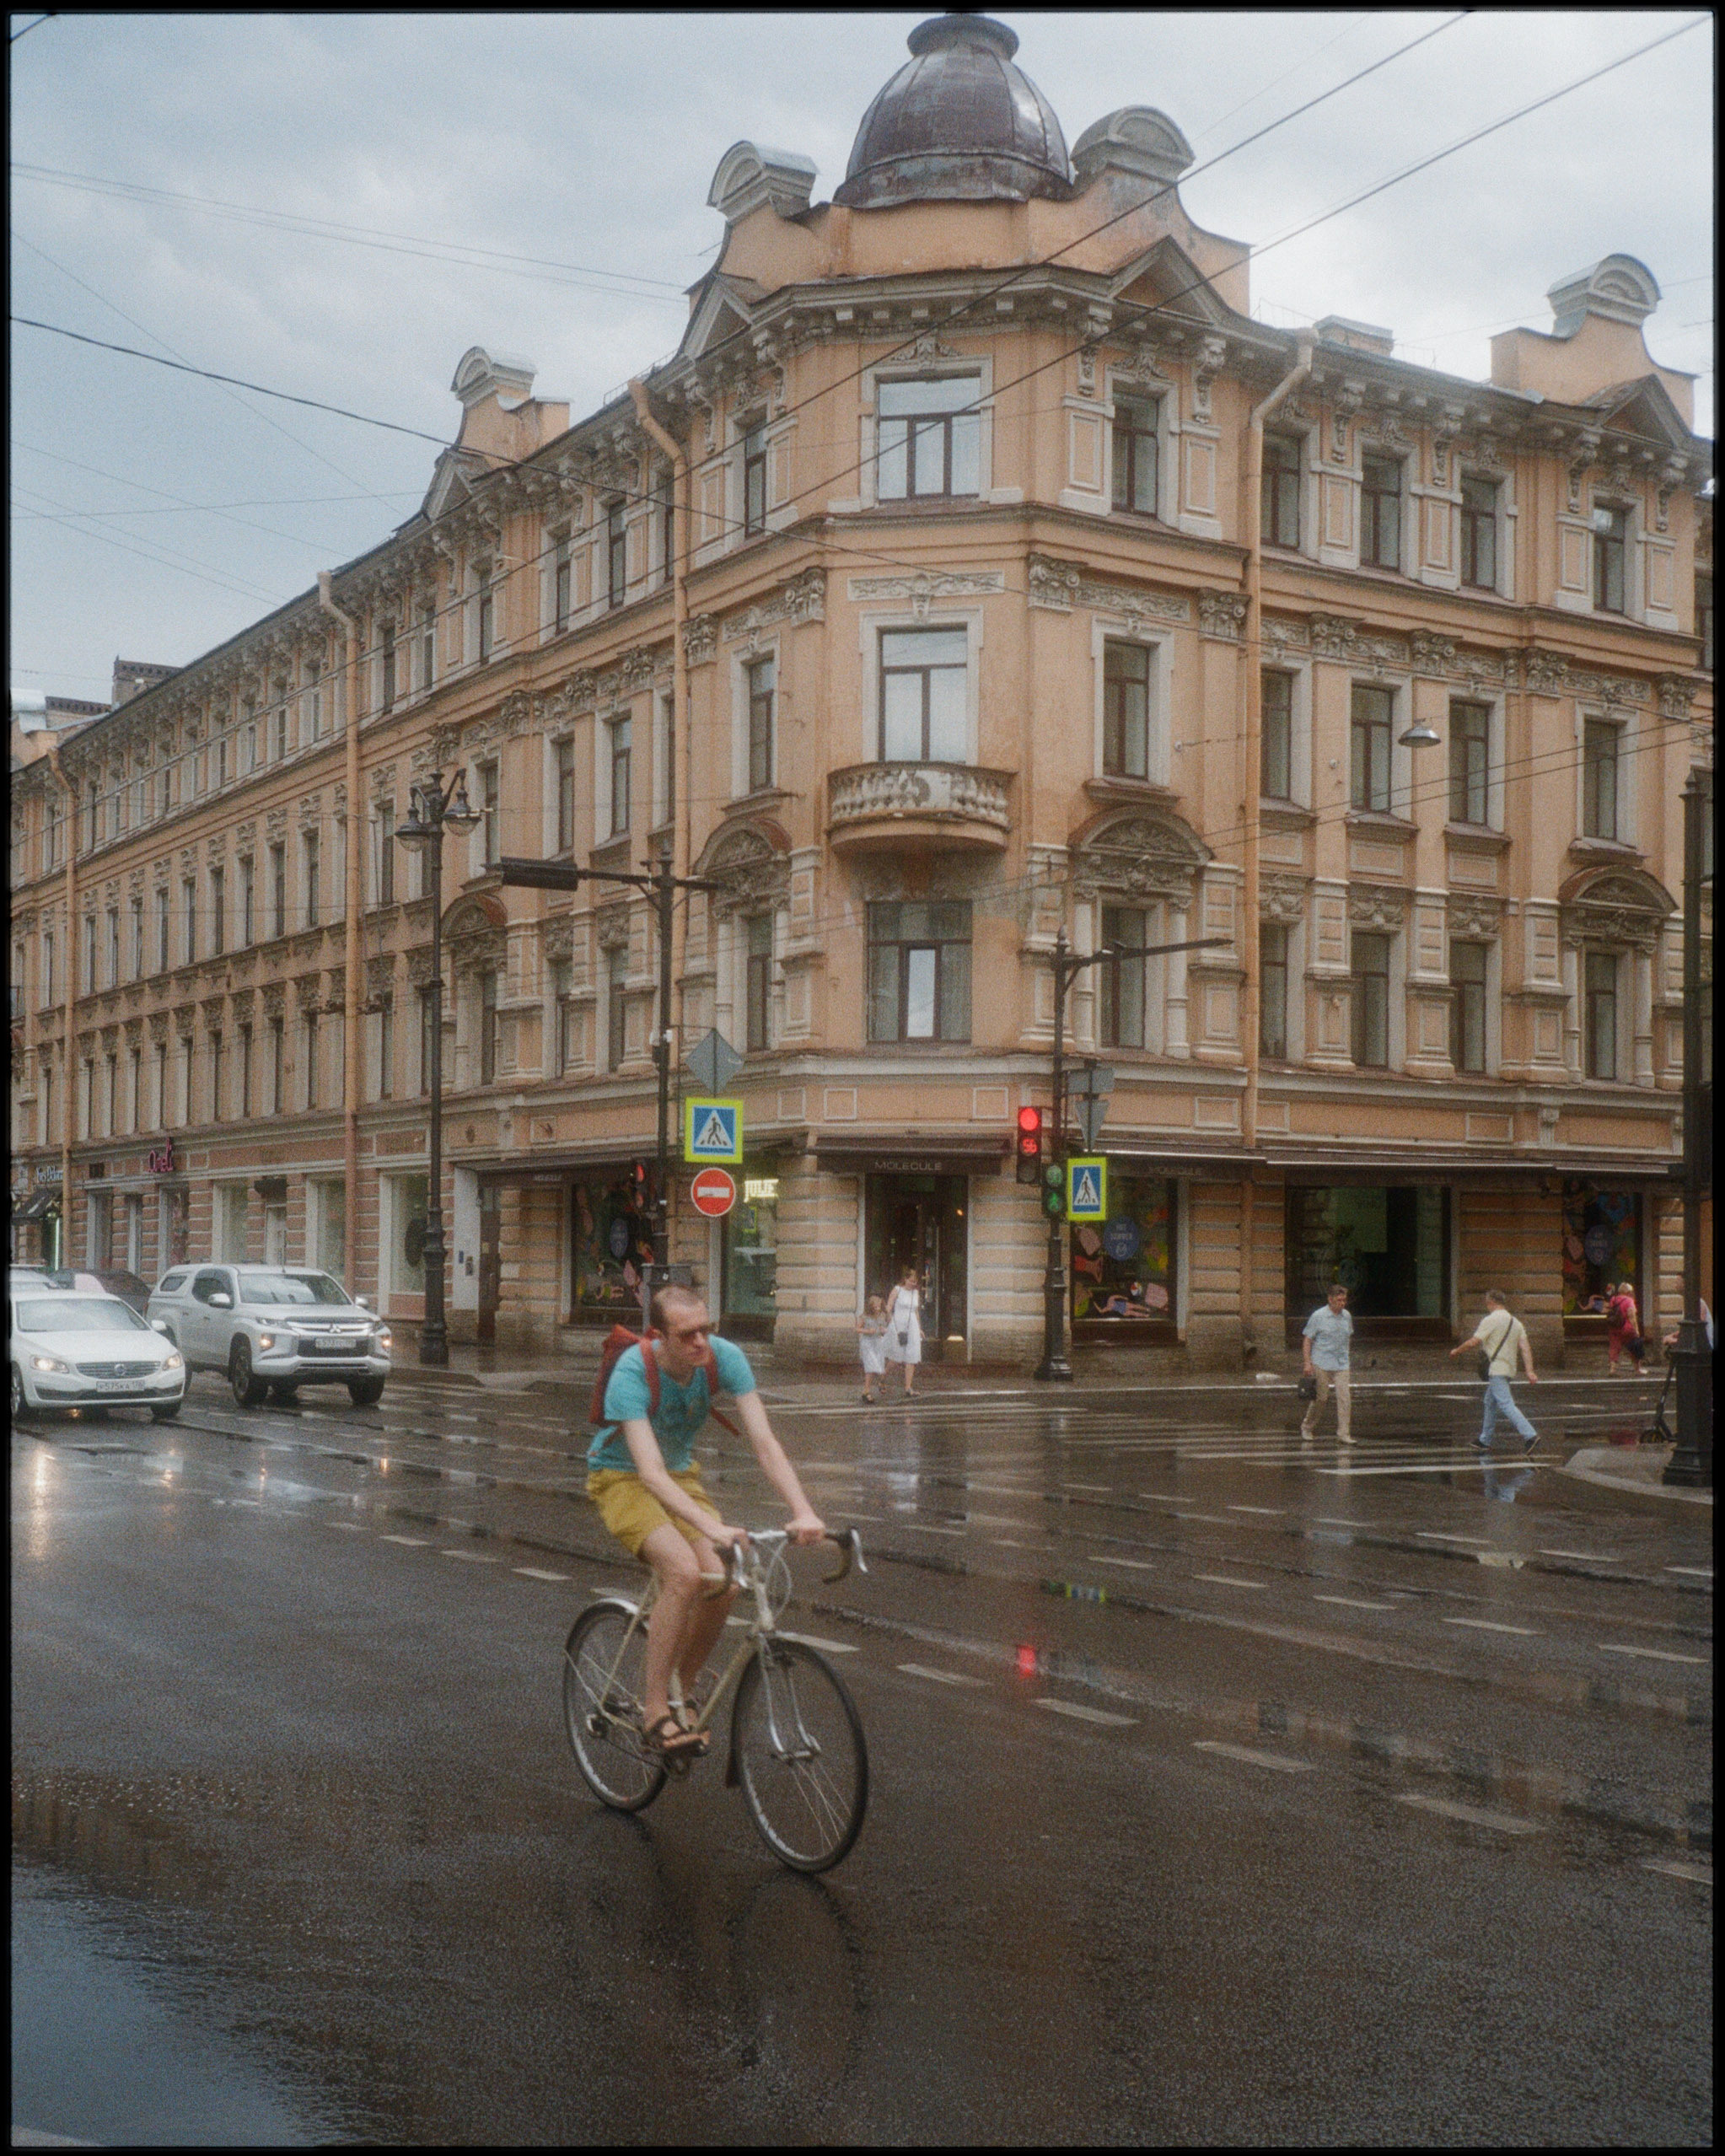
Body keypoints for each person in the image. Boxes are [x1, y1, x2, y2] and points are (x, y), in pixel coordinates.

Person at [586, 1282, 825, 1759]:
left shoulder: (724, 1358)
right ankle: (654, 1710)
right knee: (683, 1572)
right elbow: (649, 1474)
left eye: (706, 1329)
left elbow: (765, 1444)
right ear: (659, 1335)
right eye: (687, 1334)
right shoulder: (633, 1371)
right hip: (621, 1479)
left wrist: (802, 1509)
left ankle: (684, 1686)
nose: (701, 1342)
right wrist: (712, 1528)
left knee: (724, 1581)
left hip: (681, 1478)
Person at [1450, 1288, 1540, 1452]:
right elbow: (1525, 1348)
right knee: (1490, 1402)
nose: (1487, 1305)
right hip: (1508, 1369)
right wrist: (1529, 1370)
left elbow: (1473, 1342)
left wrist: (1457, 1350)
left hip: (1497, 1368)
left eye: (1487, 1303)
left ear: (1491, 1302)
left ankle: (1530, 1435)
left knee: (1506, 1404)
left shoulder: (1490, 1320)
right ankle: (1484, 1440)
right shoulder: (1516, 1322)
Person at [1299, 1283, 1354, 1444]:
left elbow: (1348, 1337)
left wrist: (1347, 1355)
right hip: (1321, 1363)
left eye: (1344, 1300)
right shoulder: (1318, 1316)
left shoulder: (1347, 1316)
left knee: (1345, 1398)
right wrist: (1307, 1363)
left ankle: (1344, 1433)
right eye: (1339, 1300)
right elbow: (1307, 1340)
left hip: (1342, 1364)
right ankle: (1307, 1426)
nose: (1342, 1303)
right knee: (1321, 1399)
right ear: (1330, 1299)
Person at [884, 1266, 923, 1396]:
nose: (913, 1284)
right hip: (898, 1325)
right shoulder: (897, 1290)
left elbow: (916, 1311)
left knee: (912, 1357)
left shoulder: (916, 1293)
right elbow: (889, 1306)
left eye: (915, 1282)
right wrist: (888, 1318)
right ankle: (882, 1378)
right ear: (905, 1279)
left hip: (912, 1325)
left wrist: (919, 1328)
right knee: (896, 1358)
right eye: (911, 1281)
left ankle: (908, 1388)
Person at [1604, 1279, 1646, 1376]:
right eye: (1631, 1292)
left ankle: (1612, 1370)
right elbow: (1632, 1317)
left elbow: (1610, 1312)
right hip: (1627, 1328)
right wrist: (1636, 1330)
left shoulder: (1613, 1300)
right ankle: (1638, 1369)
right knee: (1634, 1347)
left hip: (1614, 1327)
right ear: (1628, 1292)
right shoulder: (1629, 1301)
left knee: (1614, 1348)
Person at [857, 1293, 889, 1402]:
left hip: (878, 1342)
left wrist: (884, 1330)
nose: (878, 1308)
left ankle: (875, 1386)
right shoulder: (865, 1317)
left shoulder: (882, 1316)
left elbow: (884, 1328)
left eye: (879, 1306)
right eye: (875, 1306)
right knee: (871, 1367)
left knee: (879, 1367)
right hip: (868, 1343)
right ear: (870, 1307)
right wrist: (867, 1331)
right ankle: (867, 1391)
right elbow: (857, 1329)